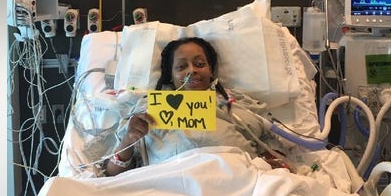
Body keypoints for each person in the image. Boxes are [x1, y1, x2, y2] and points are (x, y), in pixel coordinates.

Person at [104, 37, 287, 176]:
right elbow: (113, 173)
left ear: (210, 70)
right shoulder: (149, 110)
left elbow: (270, 147)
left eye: (200, 64)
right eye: (181, 66)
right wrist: (128, 140)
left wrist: (273, 162)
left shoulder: (235, 105)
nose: (192, 70)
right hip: (169, 184)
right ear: (170, 76)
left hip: (236, 180)